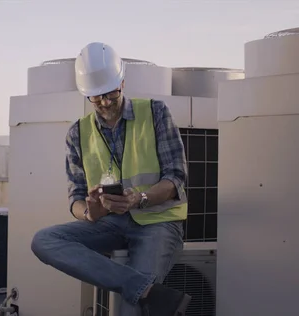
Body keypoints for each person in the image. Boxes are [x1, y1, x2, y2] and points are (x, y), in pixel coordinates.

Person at [30, 42, 192, 316]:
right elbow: (76, 198)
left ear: (122, 84)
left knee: (131, 309)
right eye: (96, 97)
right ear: (86, 95)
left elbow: (176, 178)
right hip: (109, 223)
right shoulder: (77, 133)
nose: (105, 102)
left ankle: (140, 291)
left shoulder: (155, 113)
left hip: (158, 222)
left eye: (111, 94)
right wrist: (90, 212)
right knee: (44, 241)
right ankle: (148, 290)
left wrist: (139, 198)